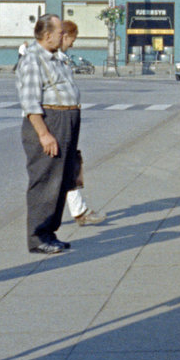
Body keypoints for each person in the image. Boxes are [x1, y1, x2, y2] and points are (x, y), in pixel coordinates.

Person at [18, 14, 82, 254]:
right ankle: (37, 236)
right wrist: (44, 134)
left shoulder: (55, 58)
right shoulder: (33, 60)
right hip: (49, 122)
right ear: (47, 36)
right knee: (45, 180)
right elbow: (30, 103)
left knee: (62, 179)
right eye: (59, 32)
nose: (62, 36)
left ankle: (49, 232)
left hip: (65, 120)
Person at [58, 21, 105, 226]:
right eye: (72, 40)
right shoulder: (51, 60)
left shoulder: (62, 59)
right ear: (63, 37)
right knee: (58, 171)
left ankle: (78, 211)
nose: (72, 45)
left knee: (69, 166)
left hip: (67, 118)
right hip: (57, 120)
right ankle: (48, 219)